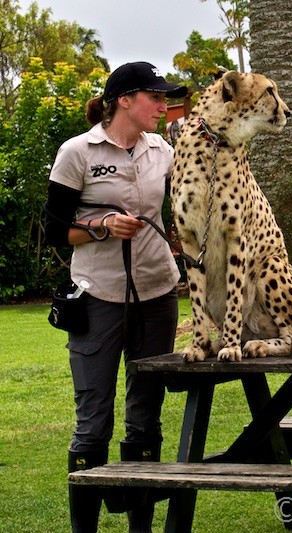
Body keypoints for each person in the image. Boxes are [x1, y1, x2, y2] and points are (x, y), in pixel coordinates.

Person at [44, 62, 187, 532]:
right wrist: (100, 227)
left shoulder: (163, 150)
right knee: (94, 420)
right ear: (124, 99)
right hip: (97, 296)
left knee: (146, 417)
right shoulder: (77, 152)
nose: (164, 105)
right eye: (156, 97)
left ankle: (139, 529)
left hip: (158, 293)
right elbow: (54, 232)